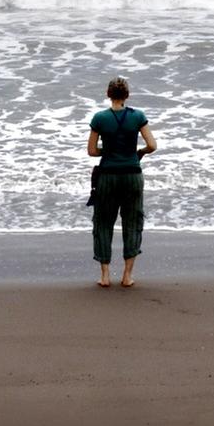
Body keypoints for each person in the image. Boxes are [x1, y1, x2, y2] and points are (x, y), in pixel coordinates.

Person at [86, 76, 156, 288]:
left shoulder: (99, 118)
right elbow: (152, 145)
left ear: (108, 95)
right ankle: (127, 276)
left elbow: (91, 151)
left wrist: (107, 151)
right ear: (127, 95)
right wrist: (139, 152)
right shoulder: (138, 116)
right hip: (132, 176)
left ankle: (105, 275)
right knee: (132, 222)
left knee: (103, 223)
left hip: (107, 176)